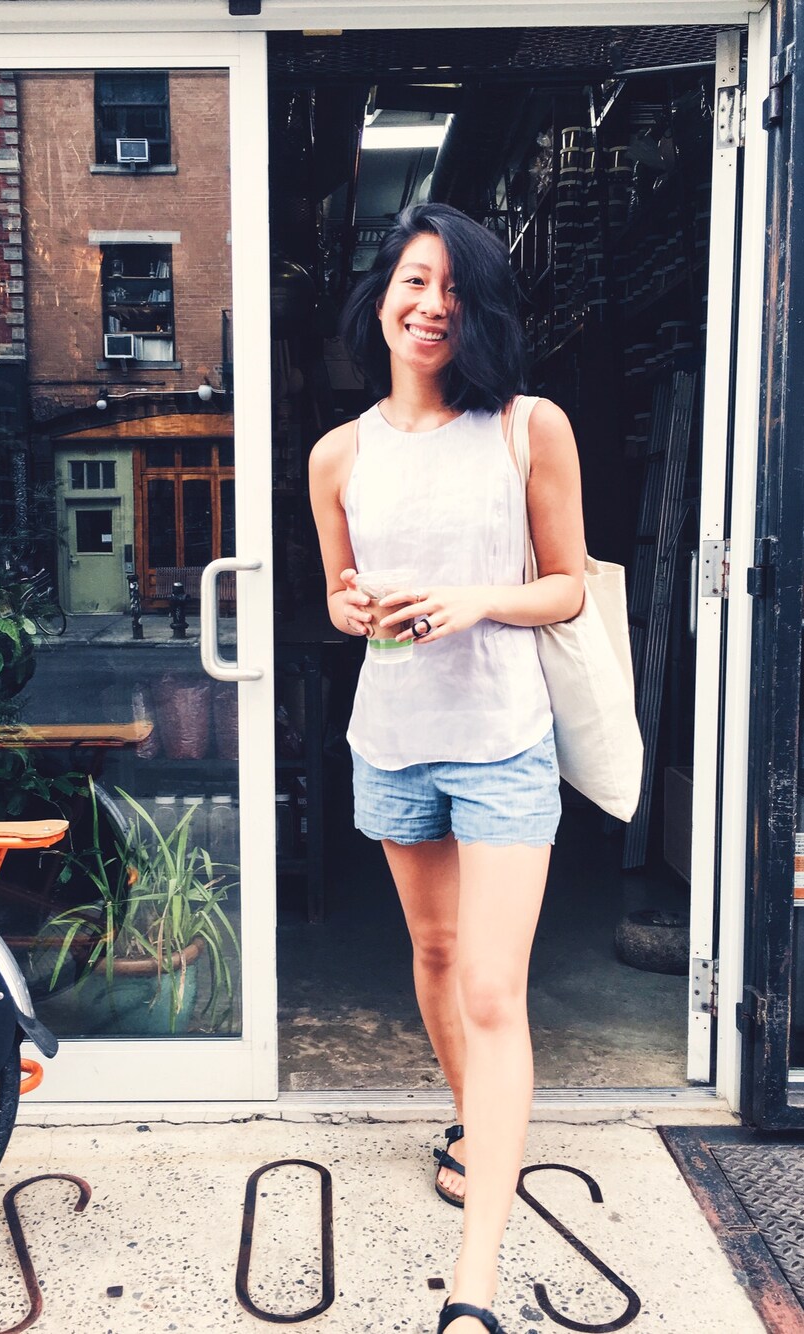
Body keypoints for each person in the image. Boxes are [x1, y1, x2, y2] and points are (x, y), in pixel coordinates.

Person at [308, 202, 585, 1334]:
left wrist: (476, 599)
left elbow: (566, 584)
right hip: (392, 739)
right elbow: (338, 596)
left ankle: (474, 1285)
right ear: (380, 297)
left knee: (491, 988)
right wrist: (353, 607)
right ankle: (477, 1123)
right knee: (431, 953)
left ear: (481, 312)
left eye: (457, 289)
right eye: (415, 282)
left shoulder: (528, 428)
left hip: (503, 739)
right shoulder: (339, 454)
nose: (432, 306)